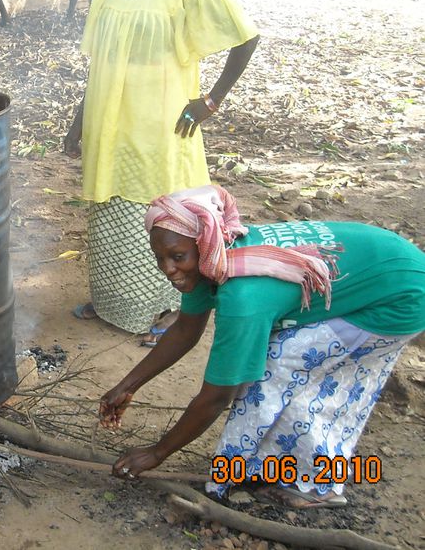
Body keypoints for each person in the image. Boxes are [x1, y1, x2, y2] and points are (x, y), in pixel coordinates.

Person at [100, 185, 425, 508]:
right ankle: (266, 463)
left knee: (278, 367)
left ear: (205, 244)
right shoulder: (208, 260)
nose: (168, 269)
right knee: (270, 365)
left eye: (177, 257)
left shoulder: (243, 295)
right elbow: (186, 329)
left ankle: (316, 485)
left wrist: (157, 452)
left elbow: (217, 397)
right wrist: (127, 386)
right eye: (160, 258)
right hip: (384, 265)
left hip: (402, 296)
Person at [67, 0, 259, 343]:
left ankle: (171, 307)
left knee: (161, 212)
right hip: (109, 118)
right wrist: (78, 120)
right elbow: (101, 60)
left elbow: (245, 36)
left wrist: (210, 101)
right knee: (110, 205)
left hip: (161, 120)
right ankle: (114, 298)